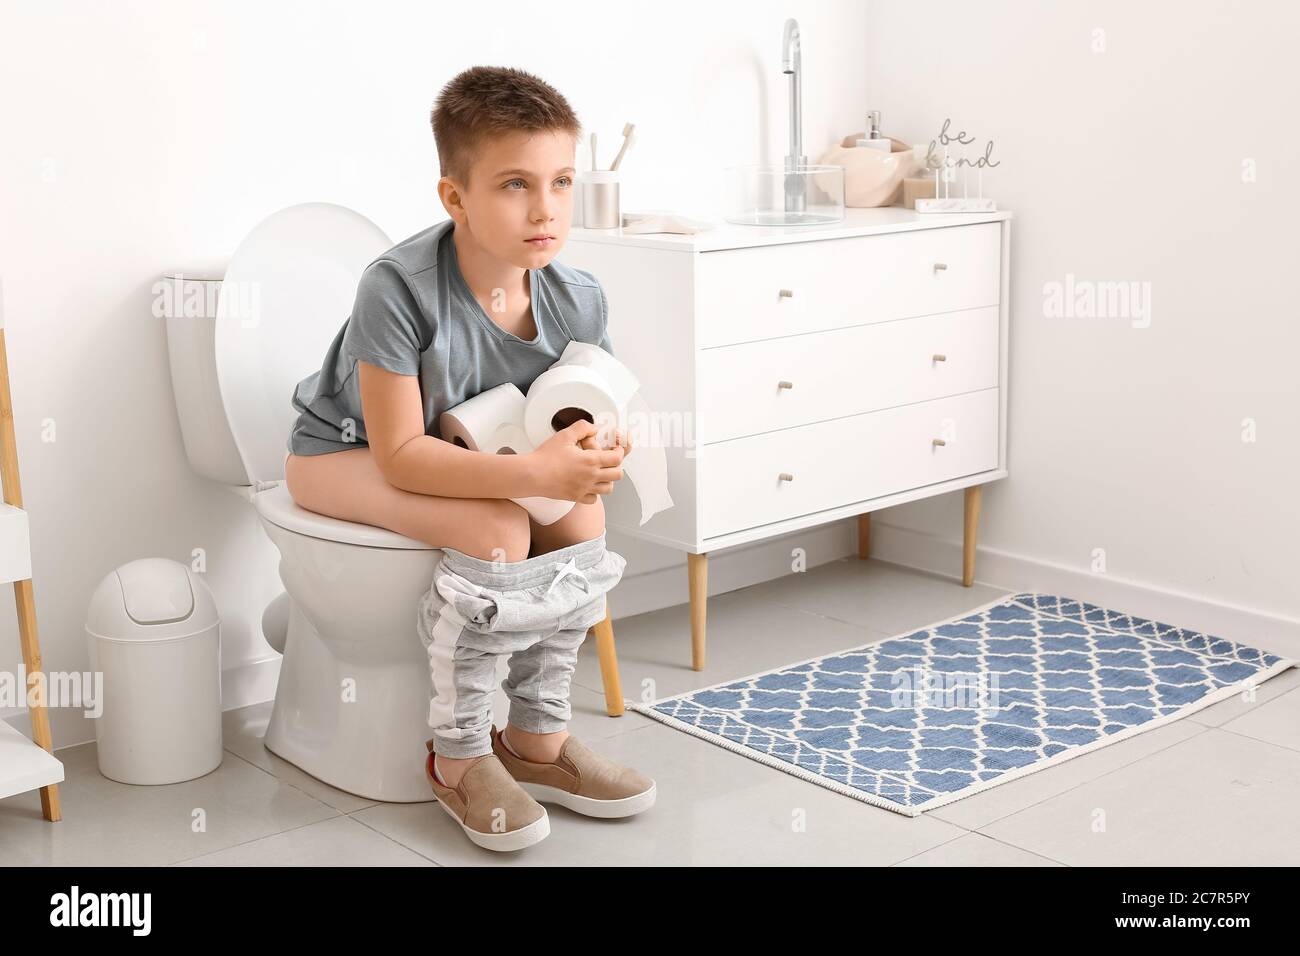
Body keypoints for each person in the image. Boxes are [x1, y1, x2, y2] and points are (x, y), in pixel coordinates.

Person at [283, 65, 654, 851]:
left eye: (561, 181)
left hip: (476, 458)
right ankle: (458, 756)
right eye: (516, 184)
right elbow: (402, 456)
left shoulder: (578, 295)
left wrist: (599, 452)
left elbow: (596, 410)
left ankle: (538, 743)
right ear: (455, 197)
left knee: (581, 514)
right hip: (338, 456)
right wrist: (532, 478)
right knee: (498, 531)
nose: (546, 208)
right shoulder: (398, 288)